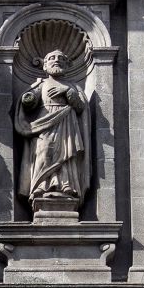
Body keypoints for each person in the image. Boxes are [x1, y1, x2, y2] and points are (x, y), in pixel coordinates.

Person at [14, 49, 88, 210]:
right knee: (44, 152)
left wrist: (67, 92)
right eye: (52, 58)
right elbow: (30, 101)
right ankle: (40, 186)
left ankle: (65, 185)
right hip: (44, 122)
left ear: (66, 65)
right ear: (45, 65)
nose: (56, 60)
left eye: (61, 58)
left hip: (66, 122)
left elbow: (80, 107)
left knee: (66, 154)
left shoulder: (72, 87)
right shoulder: (41, 84)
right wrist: (28, 99)